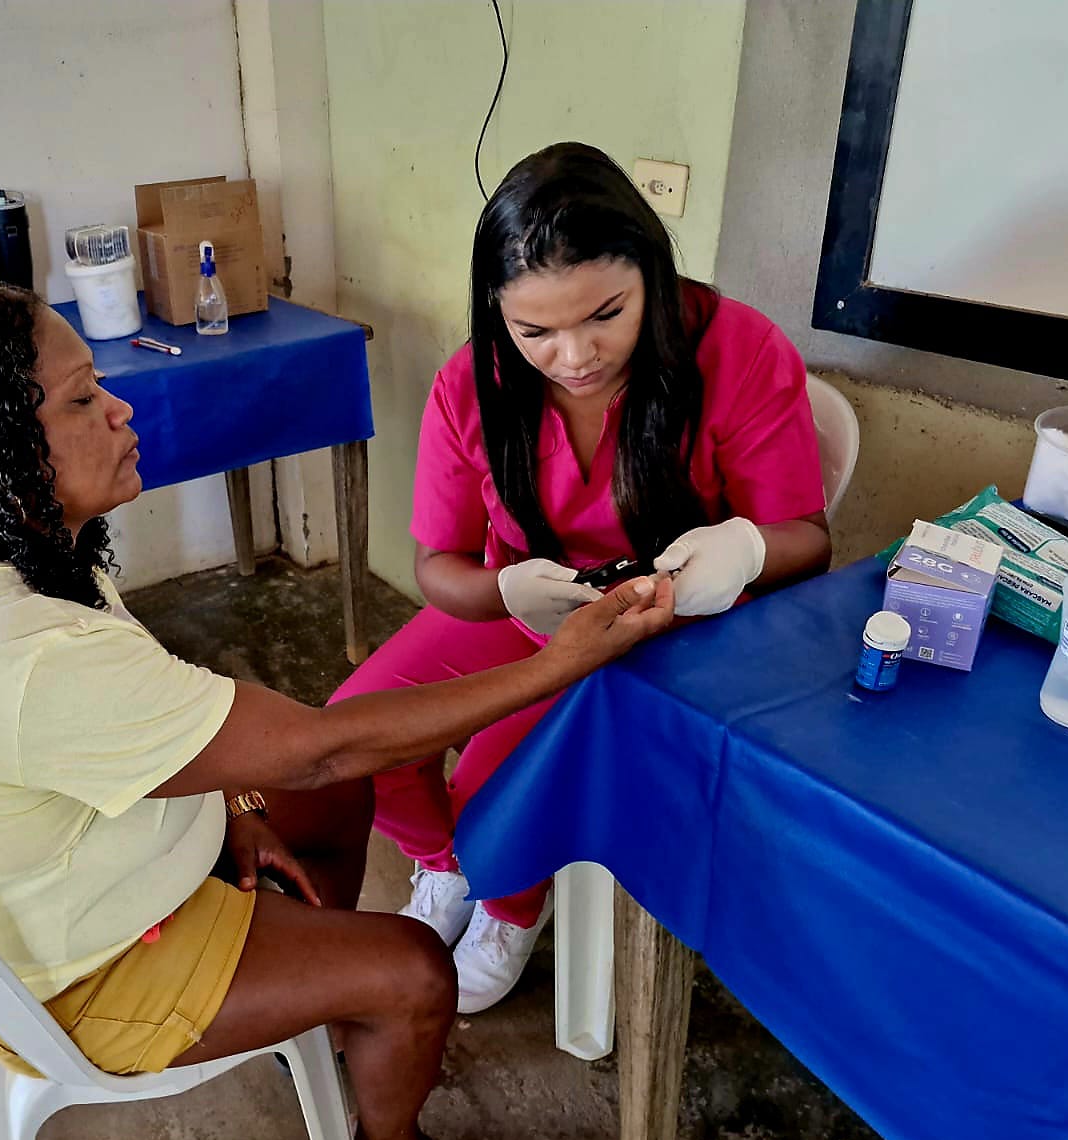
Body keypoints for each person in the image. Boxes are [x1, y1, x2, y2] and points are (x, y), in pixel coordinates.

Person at [0, 278, 676, 1140]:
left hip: (56, 870)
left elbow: (207, 746)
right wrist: (562, 660)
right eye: (81, 398)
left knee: (328, 790)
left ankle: (315, 1002)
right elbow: (320, 744)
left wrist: (232, 803)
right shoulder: (26, 656)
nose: (120, 408)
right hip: (73, 971)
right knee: (414, 965)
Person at [332, 141, 831, 1015]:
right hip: (529, 612)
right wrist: (505, 591)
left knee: (493, 787)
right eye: (535, 332)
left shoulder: (739, 350)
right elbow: (436, 565)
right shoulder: (473, 382)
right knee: (356, 738)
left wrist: (745, 551)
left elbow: (807, 540)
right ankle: (455, 869)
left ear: (652, 272)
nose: (574, 356)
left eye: (606, 313)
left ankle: (510, 902)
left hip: (669, 629)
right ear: (498, 316)